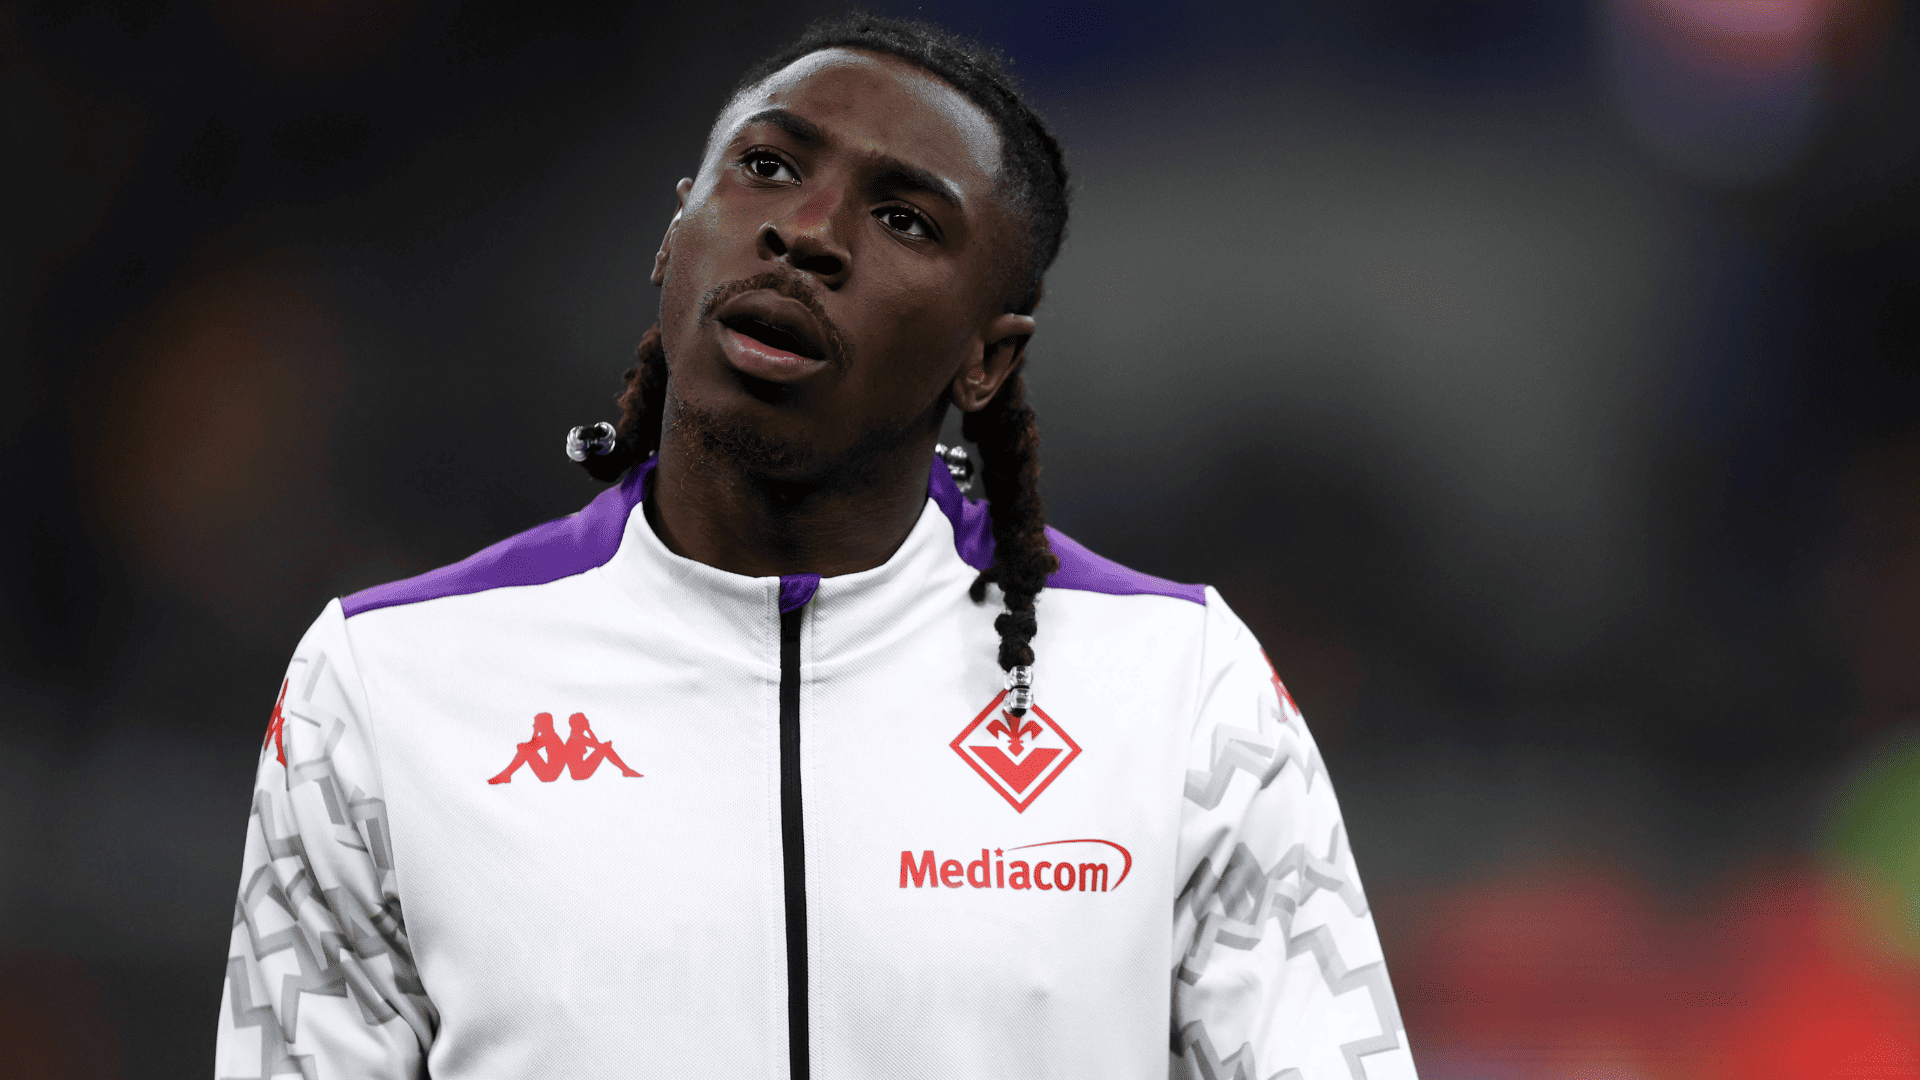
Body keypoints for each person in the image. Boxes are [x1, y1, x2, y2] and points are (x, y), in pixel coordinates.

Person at [215, 12, 1417, 1079]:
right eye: (767, 167)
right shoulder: (386, 683)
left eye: (903, 218)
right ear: (674, 235)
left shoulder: (1179, 688)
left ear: (987, 358)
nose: (806, 232)